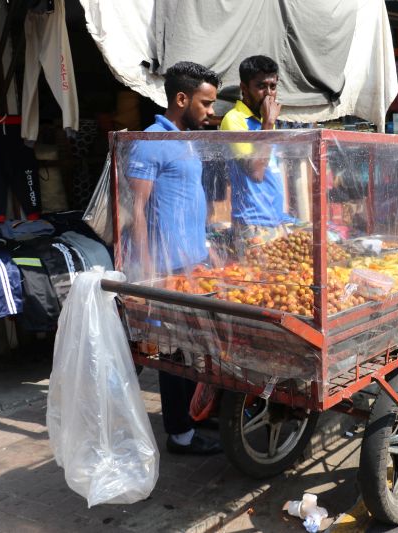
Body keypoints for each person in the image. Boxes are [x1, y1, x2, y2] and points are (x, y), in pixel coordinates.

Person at [127, 61, 223, 455]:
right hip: (165, 267)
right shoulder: (150, 141)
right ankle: (180, 433)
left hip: (192, 261)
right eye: (205, 103)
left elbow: (186, 200)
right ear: (181, 98)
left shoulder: (186, 139)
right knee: (172, 351)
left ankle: (195, 415)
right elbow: (136, 210)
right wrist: (147, 276)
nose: (211, 111)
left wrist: (208, 246)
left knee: (192, 346)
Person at [220, 55, 294, 246]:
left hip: (275, 219)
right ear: (244, 88)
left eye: (273, 86)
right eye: (261, 86)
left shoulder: (264, 121)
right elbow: (256, 172)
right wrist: (268, 123)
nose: (269, 94)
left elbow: (273, 170)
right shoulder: (234, 119)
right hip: (252, 222)